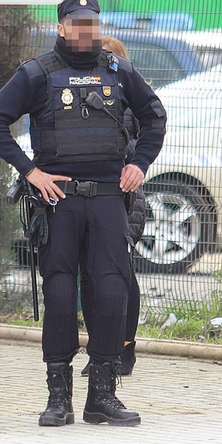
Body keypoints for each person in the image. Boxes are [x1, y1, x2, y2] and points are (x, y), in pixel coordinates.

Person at [0, 0, 165, 427]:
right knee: (59, 295)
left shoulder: (118, 70)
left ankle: (102, 396)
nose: (86, 31)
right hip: (59, 201)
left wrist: (140, 164)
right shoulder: (37, 73)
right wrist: (30, 171)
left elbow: (154, 116)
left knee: (111, 293)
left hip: (109, 199)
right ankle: (58, 399)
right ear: (61, 27)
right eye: (78, 23)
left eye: (92, 23)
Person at [77, 35, 144, 378]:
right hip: (85, 195)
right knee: (89, 276)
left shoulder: (129, 98)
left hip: (122, 196)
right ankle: (99, 348)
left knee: (120, 275)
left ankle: (124, 347)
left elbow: (139, 144)